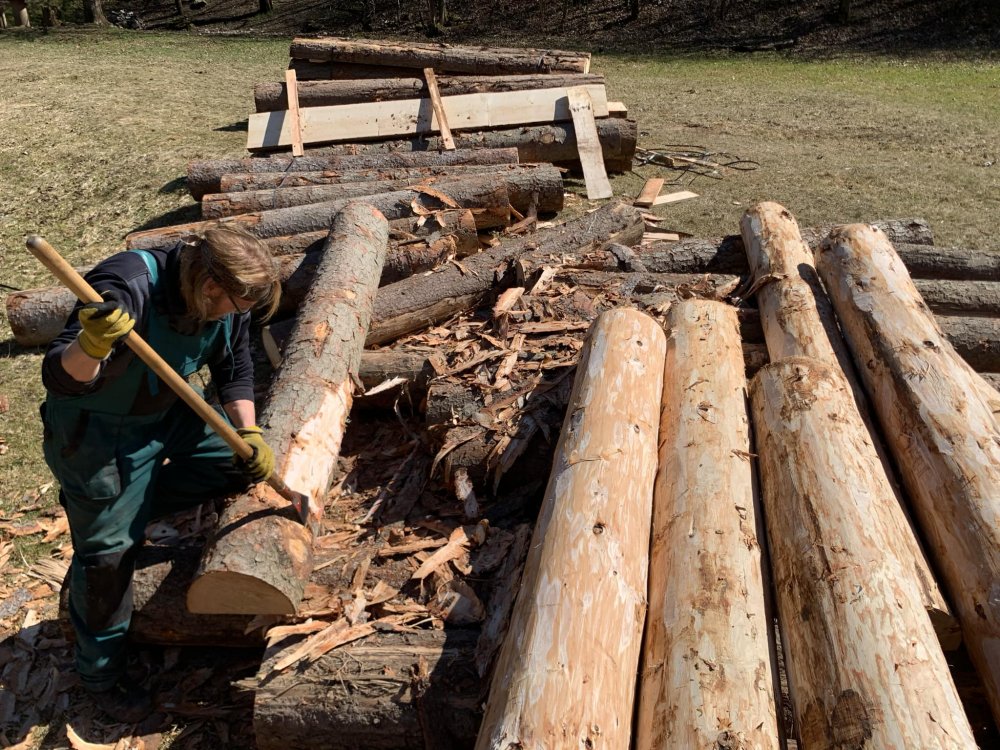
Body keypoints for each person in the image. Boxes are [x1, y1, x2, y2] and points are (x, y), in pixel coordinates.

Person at [40, 226, 281, 722]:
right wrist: (91, 343)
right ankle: (99, 675)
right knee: (108, 559)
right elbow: (59, 375)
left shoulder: (226, 305)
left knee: (235, 467)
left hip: (167, 412)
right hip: (98, 433)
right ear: (210, 286)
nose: (237, 315)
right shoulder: (127, 283)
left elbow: (234, 371)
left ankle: (134, 506)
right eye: (234, 304)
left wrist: (249, 434)